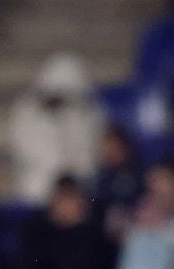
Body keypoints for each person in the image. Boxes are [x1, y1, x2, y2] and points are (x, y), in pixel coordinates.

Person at [9, 53, 104, 205]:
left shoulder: (89, 115)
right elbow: (24, 152)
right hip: (39, 183)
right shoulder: (26, 113)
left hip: (75, 183)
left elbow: (89, 154)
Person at [12, 176, 113, 269]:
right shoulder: (37, 229)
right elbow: (27, 267)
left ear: (80, 202)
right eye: (61, 199)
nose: (65, 205)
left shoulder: (93, 234)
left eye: (70, 199)